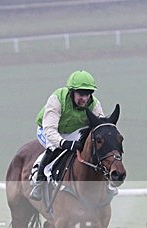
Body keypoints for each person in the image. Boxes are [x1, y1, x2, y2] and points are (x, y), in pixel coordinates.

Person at [30, 70, 107, 201]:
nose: (84, 99)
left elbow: (100, 128)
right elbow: (50, 130)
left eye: (88, 94)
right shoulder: (57, 99)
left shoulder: (94, 105)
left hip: (72, 131)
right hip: (47, 130)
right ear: (71, 92)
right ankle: (39, 181)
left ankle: (107, 183)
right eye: (81, 94)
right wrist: (64, 143)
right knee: (54, 148)